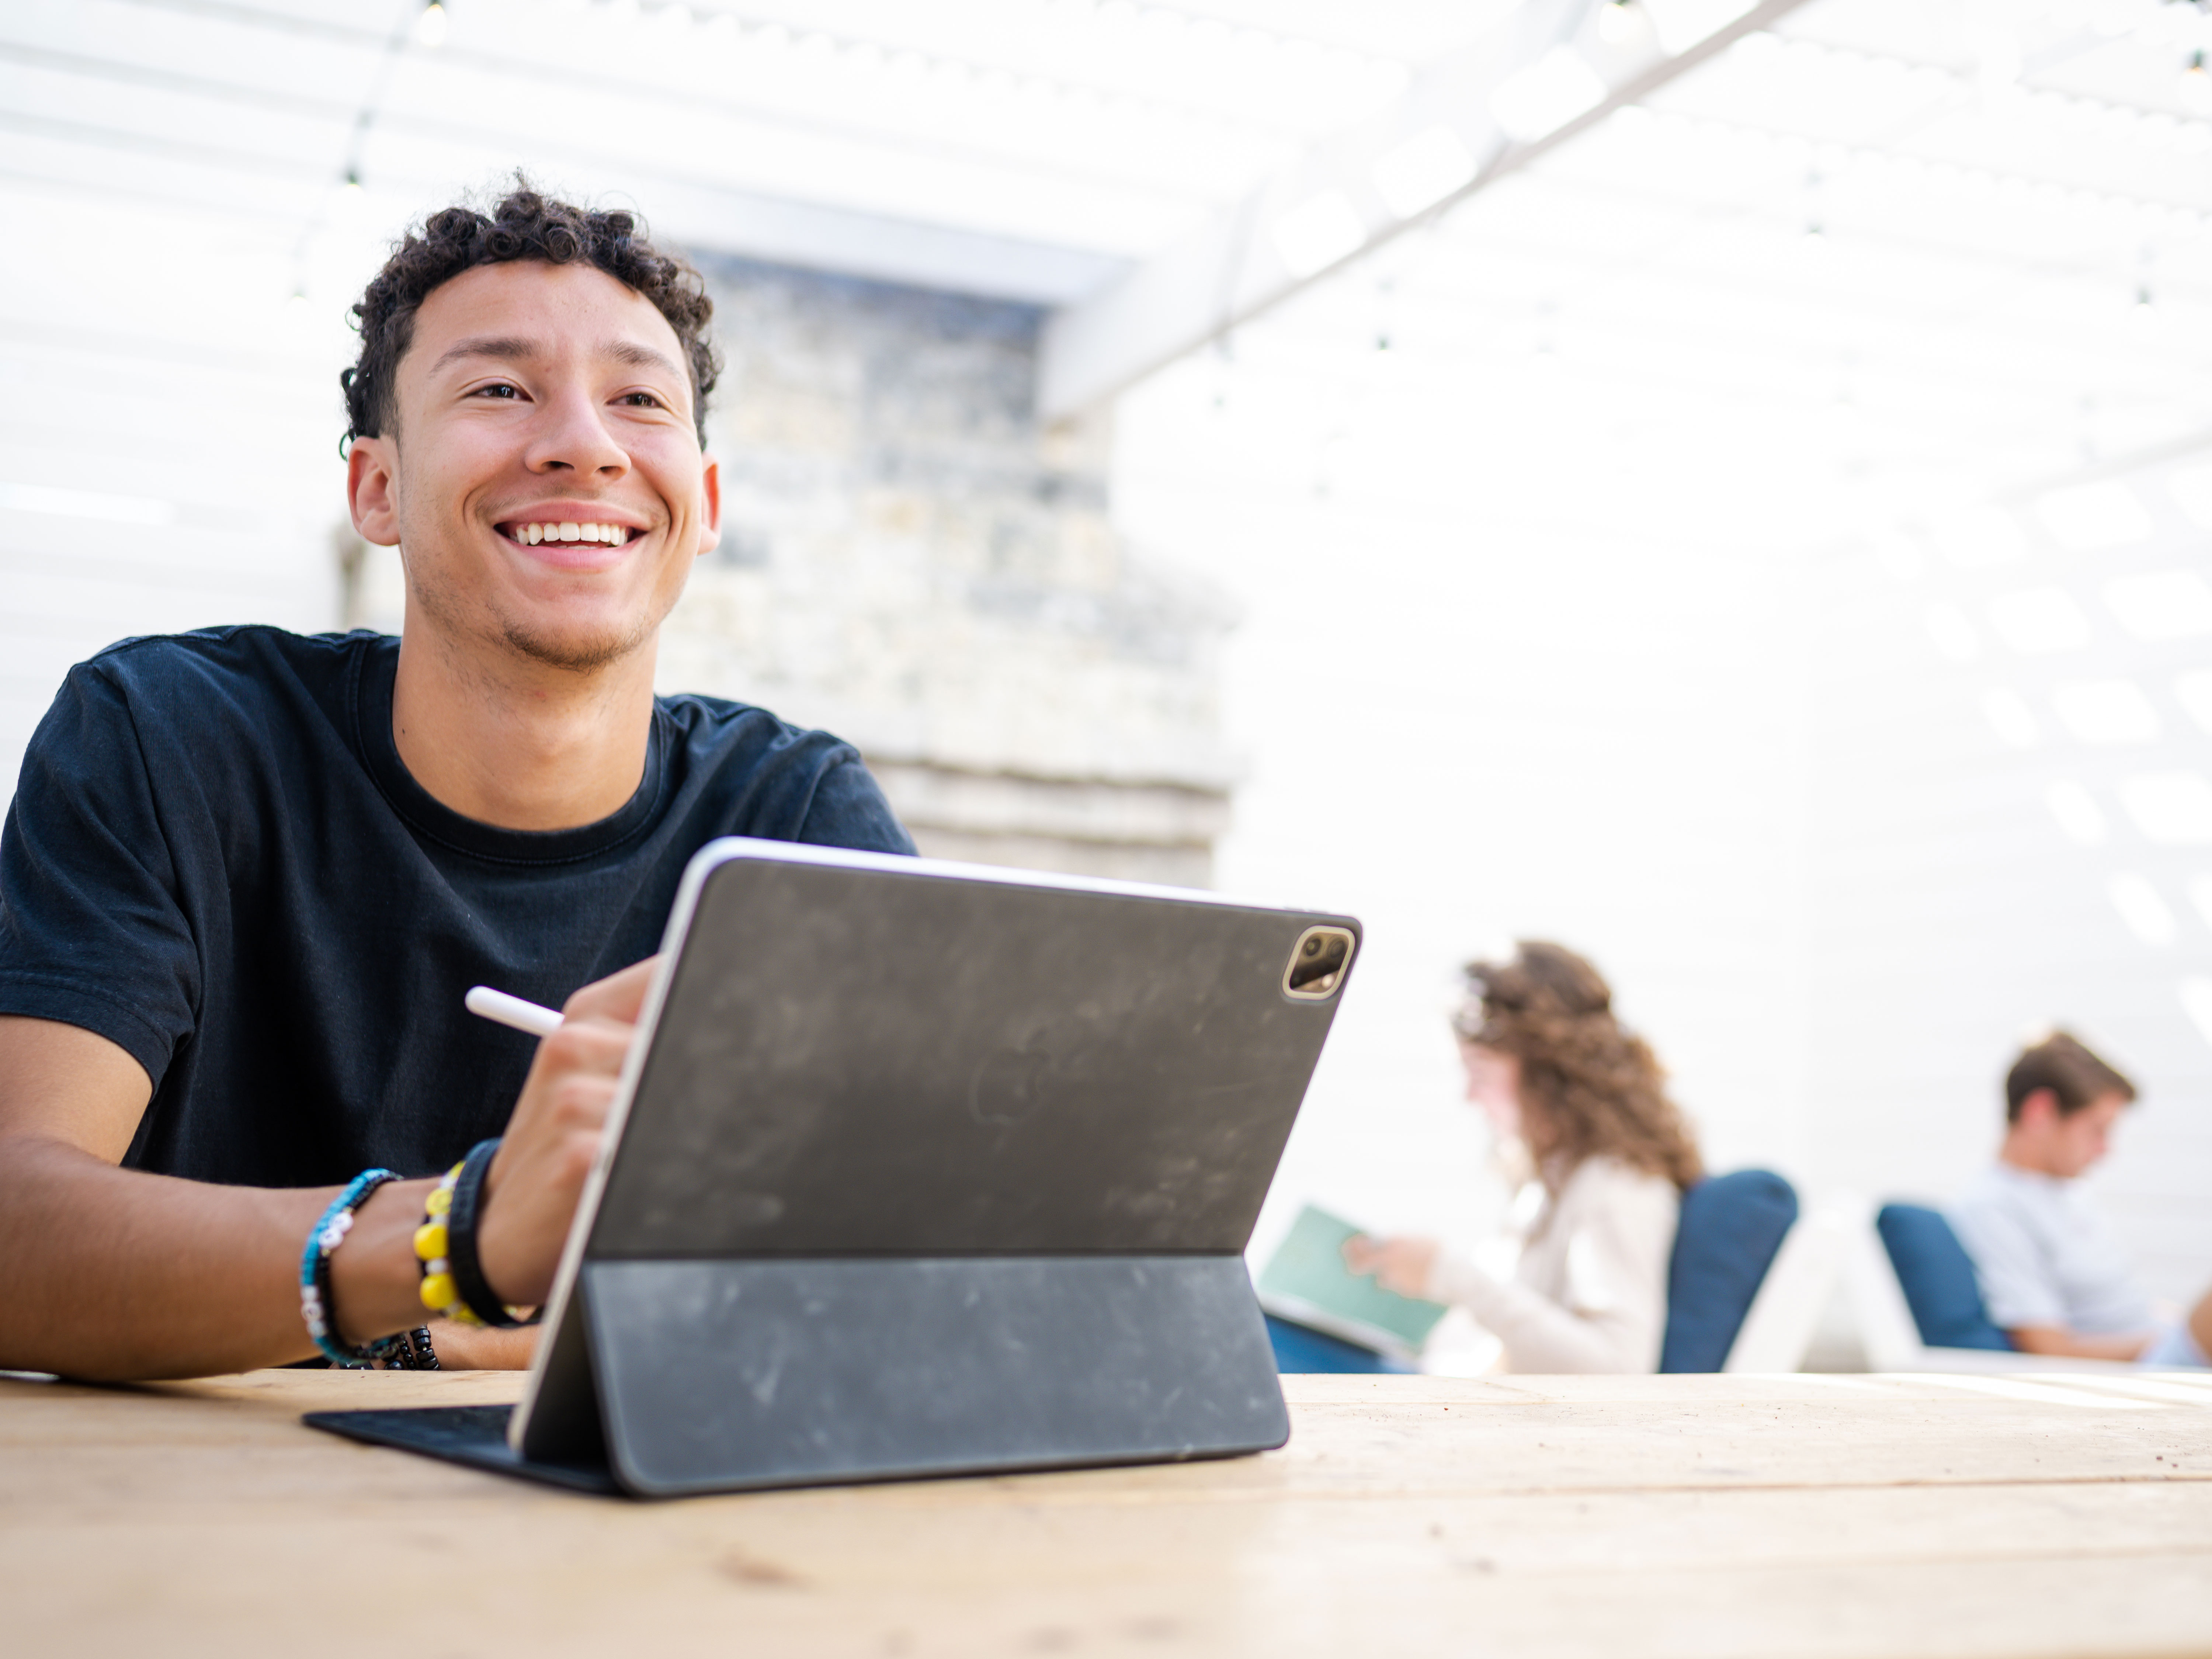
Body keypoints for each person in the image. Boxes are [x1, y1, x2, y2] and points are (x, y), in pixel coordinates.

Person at [0, 184, 913, 1382]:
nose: (584, 442)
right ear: (375, 487)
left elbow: (919, 1247)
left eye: (639, 398)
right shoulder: (167, 736)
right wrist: (456, 1238)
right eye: (498, 388)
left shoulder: (791, 816)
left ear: (705, 504)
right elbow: (17, 1224)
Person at [1346, 941, 1702, 1373]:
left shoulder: (1614, 1188)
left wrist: (1449, 1274)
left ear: (1546, 1071)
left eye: (1478, 1070)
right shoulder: (1551, 1177)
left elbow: (1616, 1367)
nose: (1468, 1095)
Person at [1949, 1032, 2211, 1367]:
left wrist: (2177, 1324)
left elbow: (2122, 1305)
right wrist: (2170, 1338)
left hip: (2153, 1341)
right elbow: (2049, 1347)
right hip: (2135, 1369)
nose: (2106, 1149)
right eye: (2097, 1130)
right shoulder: (1992, 1206)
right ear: (2040, 1111)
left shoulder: (2067, 1192)